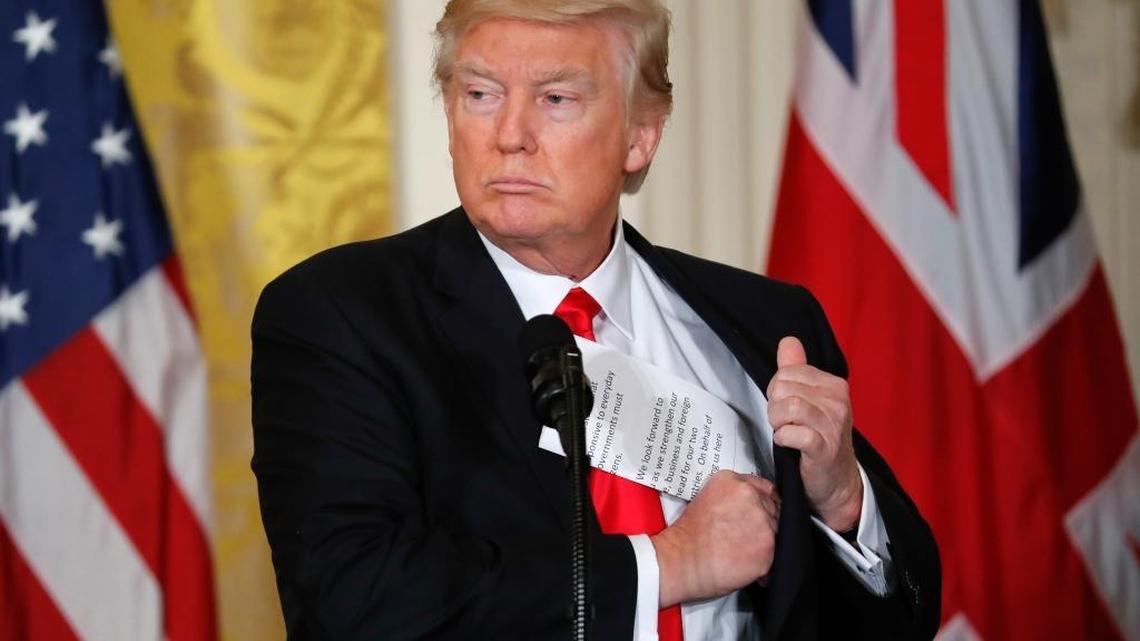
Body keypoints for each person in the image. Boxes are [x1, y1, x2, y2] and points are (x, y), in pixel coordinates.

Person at [251, 1, 941, 639]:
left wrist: (842, 501)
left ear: (640, 136)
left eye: (556, 99)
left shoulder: (770, 323)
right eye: (480, 94)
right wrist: (665, 564)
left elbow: (899, 621)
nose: (510, 136)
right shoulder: (341, 316)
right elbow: (350, 599)